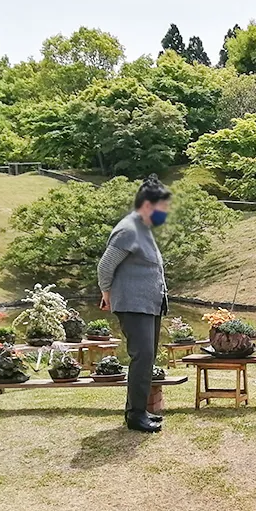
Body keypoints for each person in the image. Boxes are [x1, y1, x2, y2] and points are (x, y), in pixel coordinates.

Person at [97, 175, 171, 434]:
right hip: (134, 304)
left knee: (146, 358)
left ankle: (138, 409)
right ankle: (135, 415)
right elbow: (105, 265)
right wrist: (106, 293)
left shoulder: (144, 230)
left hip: (149, 304)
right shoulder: (128, 229)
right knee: (142, 357)